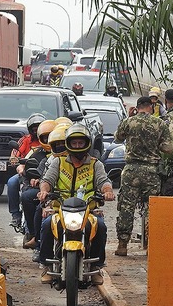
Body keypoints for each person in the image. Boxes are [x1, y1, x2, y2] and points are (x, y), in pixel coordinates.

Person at [37, 123, 115, 285]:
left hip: (88, 210)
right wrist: (44, 191)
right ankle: (46, 264)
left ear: (87, 144)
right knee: (46, 225)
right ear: (69, 144)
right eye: (74, 143)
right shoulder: (58, 163)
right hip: (61, 210)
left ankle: (96, 267)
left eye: (80, 143)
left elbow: (104, 182)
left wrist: (107, 191)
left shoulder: (95, 164)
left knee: (100, 226)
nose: (77, 146)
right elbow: (47, 180)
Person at [113, 96, 173, 256]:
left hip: (131, 169)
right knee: (151, 208)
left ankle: (122, 245)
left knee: (126, 206)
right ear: (151, 107)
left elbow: (117, 138)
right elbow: (168, 148)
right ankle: (149, 245)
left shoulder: (129, 122)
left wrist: (129, 117)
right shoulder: (159, 123)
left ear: (137, 106)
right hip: (151, 172)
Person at [21, 119, 55, 250]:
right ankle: (36, 239)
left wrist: (106, 190)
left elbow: (101, 179)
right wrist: (40, 183)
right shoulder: (49, 159)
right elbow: (44, 177)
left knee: (99, 224)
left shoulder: (91, 161)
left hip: (77, 197)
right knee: (38, 206)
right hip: (54, 194)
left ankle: (95, 258)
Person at [8, 113, 45, 230]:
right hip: (27, 172)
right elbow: (14, 155)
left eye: (39, 129)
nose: (37, 132)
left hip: (46, 173)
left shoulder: (51, 140)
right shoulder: (25, 140)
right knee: (12, 182)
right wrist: (19, 165)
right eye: (34, 129)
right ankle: (16, 215)